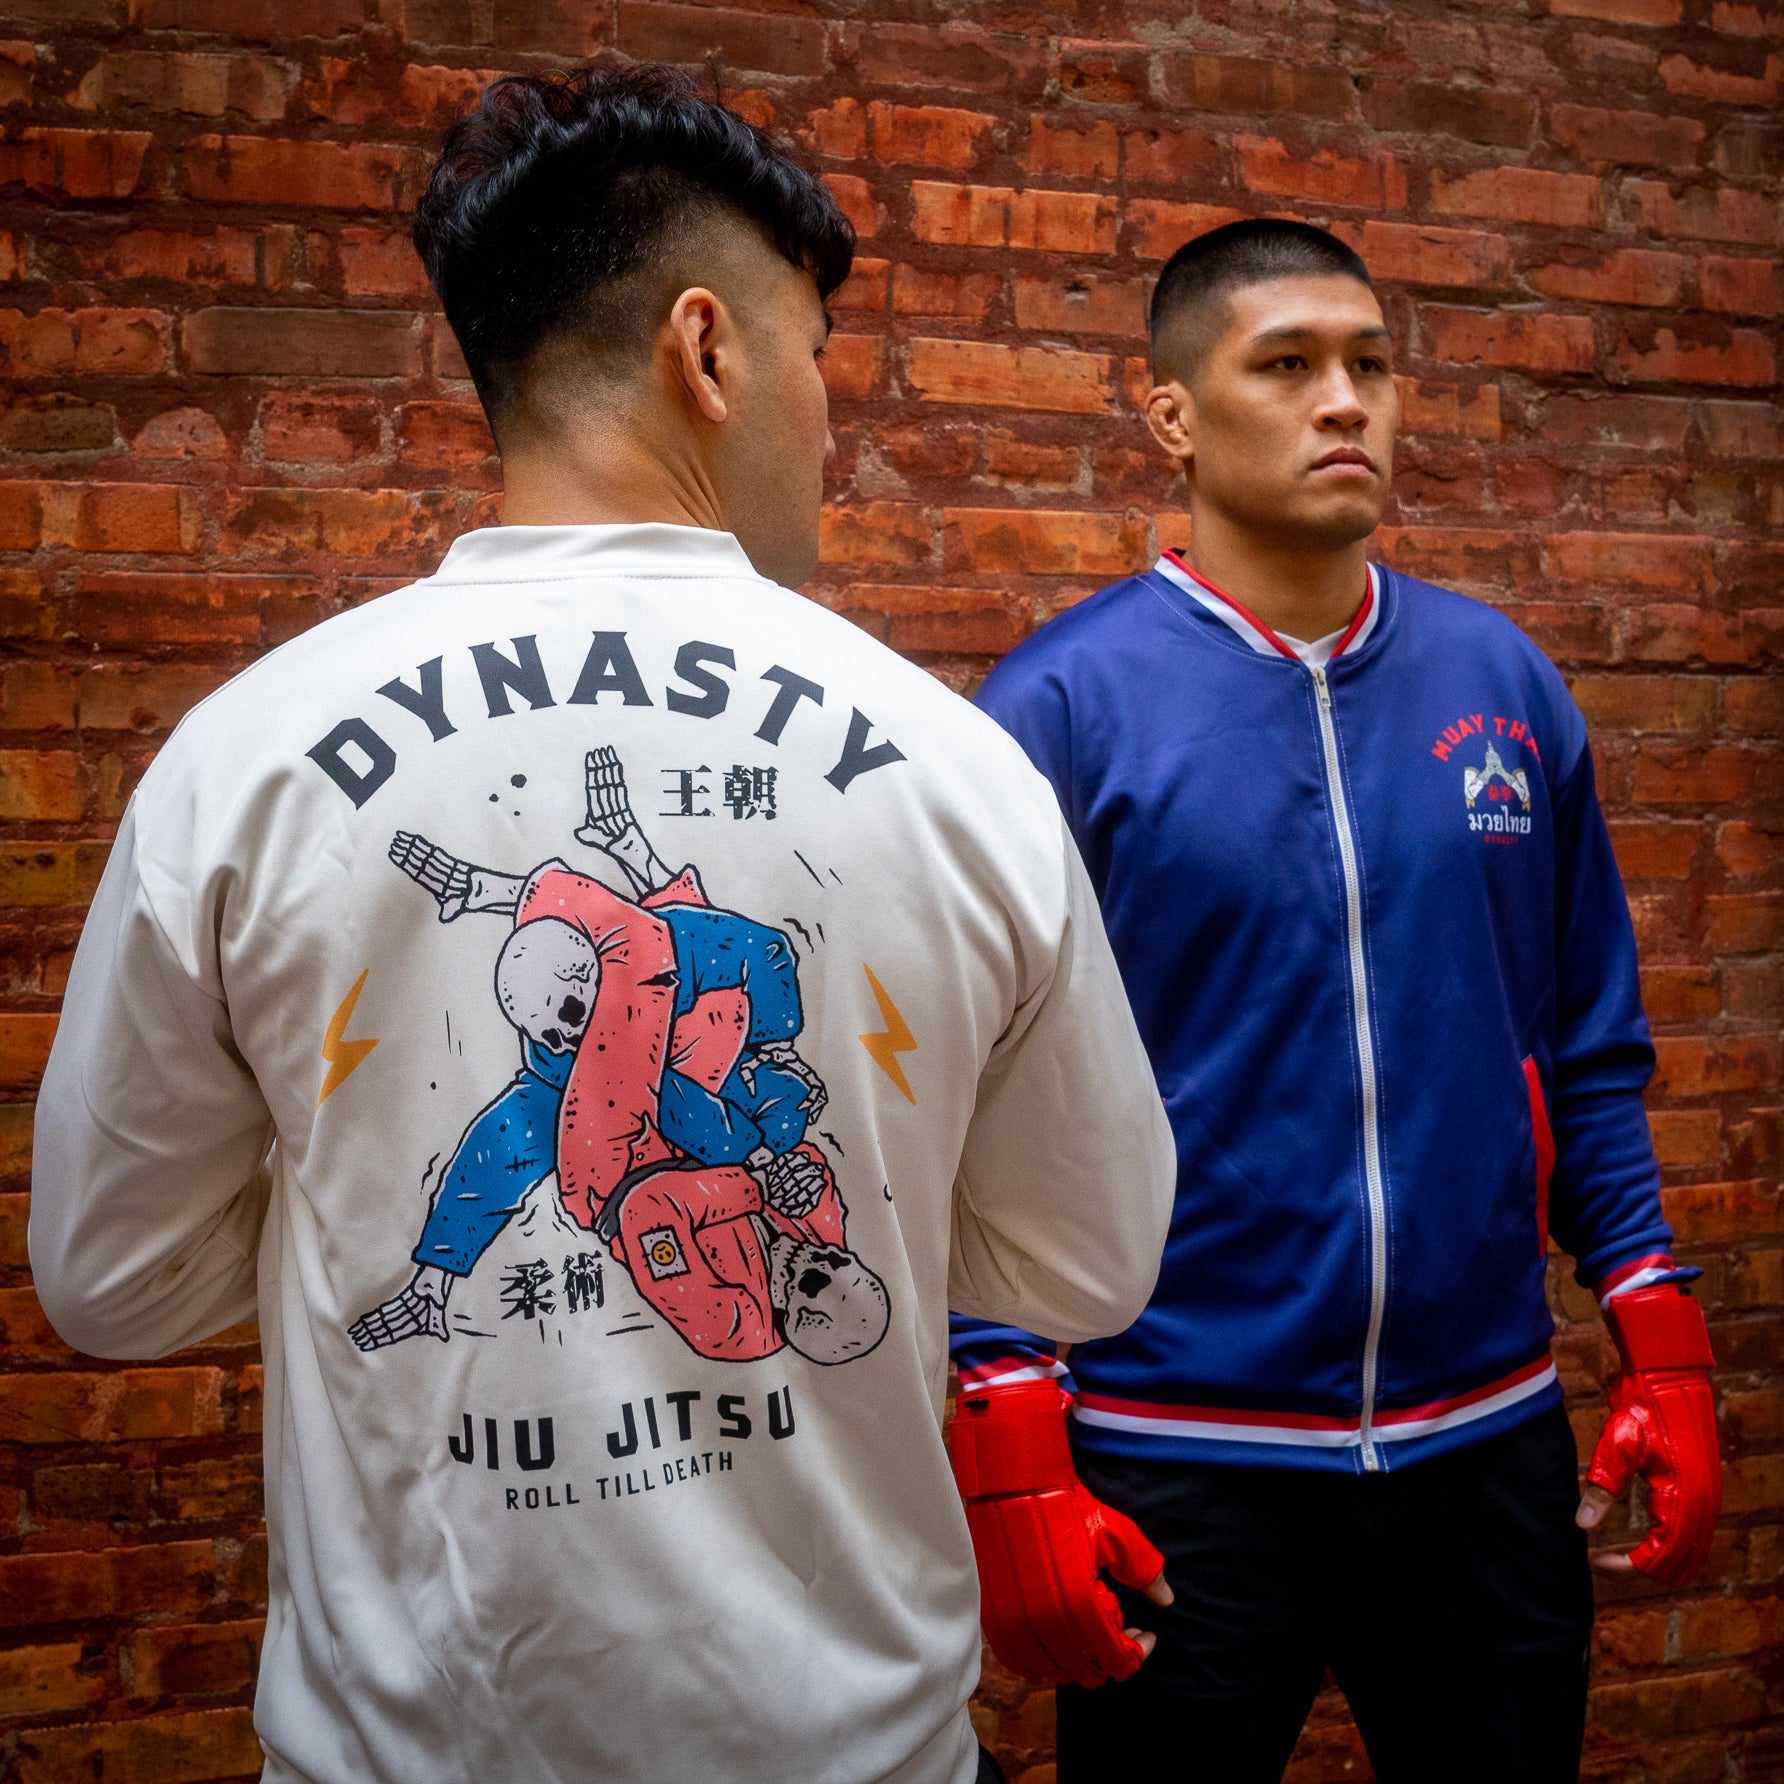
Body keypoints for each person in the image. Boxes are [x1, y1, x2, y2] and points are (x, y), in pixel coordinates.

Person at [29, 65, 1176, 1784]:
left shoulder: (243, 763)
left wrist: (336, 1209)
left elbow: (113, 1285)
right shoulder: (953, 767)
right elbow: (1091, 1264)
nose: (831, 427)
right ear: (706, 351)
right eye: (817, 358)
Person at [945, 220, 1721, 1783]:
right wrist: (1004, 1412)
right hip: (1180, 1456)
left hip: (1484, 1445)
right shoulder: (1057, 710)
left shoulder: (1503, 687)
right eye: (1287, 364)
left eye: (1370, 362)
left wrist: (1659, 1327)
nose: (1345, 399)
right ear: (1171, 414)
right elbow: (978, 1105)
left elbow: (1582, 1047)